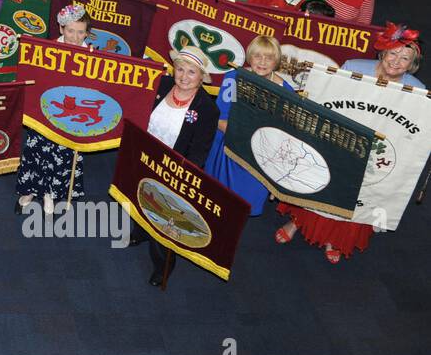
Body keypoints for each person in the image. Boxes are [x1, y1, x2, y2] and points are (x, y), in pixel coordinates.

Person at [277, 25, 422, 264]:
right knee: (322, 182)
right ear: (382, 53)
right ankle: (297, 221)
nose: (396, 62)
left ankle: (336, 238)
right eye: (392, 54)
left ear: (412, 64)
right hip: (339, 140)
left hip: (378, 152)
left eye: (405, 58)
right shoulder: (353, 68)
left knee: (356, 195)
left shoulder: (418, 90)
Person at [131, 46, 219, 287]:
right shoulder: (160, 85)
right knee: (138, 195)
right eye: (180, 69)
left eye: (191, 72)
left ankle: (163, 266)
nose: (183, 76)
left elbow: (200, 150)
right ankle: (139, 232)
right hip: (145, 154)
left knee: (164, 215)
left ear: (201, 77)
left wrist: (182, 174)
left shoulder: (207, 109)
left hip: (174, 169)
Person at [17, 2, 92, 215]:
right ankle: (32, 189)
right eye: (70, 31)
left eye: (80, 32)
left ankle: (52, 193)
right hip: (46, 110)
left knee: (64, 154)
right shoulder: (45, 49)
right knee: (37, 150)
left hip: (74, 115)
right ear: (61, 29)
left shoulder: (94, 56)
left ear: (86, 33)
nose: (75, 37)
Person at [206, 36, 292, 218]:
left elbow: (284, 134)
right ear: (249, 57)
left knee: (240, 212)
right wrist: (247, 140)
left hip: (261, 160)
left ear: (276, 61)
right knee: (216, 204)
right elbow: (220, 119)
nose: (262, 62)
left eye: (268, 58)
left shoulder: (286, 92)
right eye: (257, 56)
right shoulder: (233, 78)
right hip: (228, 149)